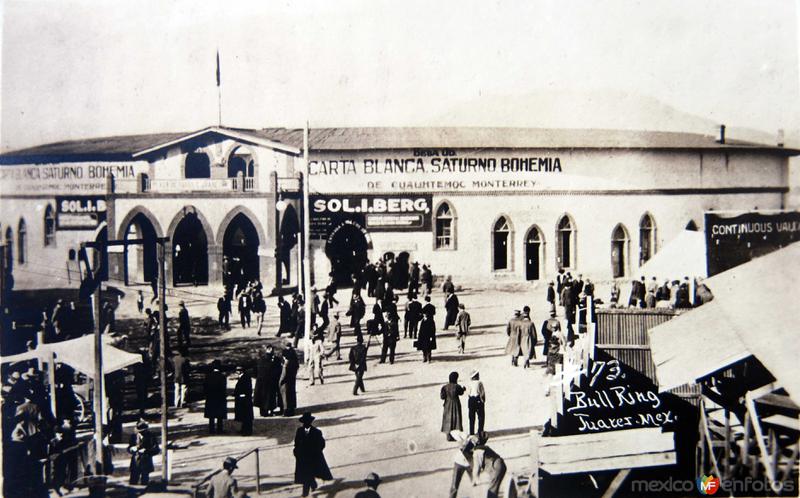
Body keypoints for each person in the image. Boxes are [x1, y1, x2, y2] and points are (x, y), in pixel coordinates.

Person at [293, 412, 333, 497]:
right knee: (307, 474)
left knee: (308, 474)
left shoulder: (316, 432)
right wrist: (296, 451)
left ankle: (305, 493)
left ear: (310, 422)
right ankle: (312, 484)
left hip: (313, 457)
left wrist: (317, 451)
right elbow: (296, 442)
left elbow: (322, 443)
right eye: (305, 422)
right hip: (302, 457)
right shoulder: (299, 431)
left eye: (308, 422)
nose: (306, 424)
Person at [470, 433, 507, 498]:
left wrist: (475, 479)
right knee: (493, 488)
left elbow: (476, 468)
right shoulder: (485, 448)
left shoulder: (477, 452)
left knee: (492, 492)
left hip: (495, 467)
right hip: (500, 465)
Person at [128, 420, 160, 486]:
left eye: (142, 432)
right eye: (139, 432)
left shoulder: (151, 436)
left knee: (144, 483)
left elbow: (156, 450)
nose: (140, 433)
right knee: (133, 483)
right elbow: (129, 448)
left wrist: (146, 451)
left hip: (146, 462)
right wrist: (131, 449)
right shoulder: (133, 437)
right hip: (135, 462)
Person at [204, 360, 227, 434]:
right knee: (219, 414)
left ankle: (211, 429)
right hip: (219, 397)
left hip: (210, 397)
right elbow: (223, 388)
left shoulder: (208, 376)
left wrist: (206, 395)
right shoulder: (222, 376)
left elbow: (205, 387)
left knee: (211, 414)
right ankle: (219, 429)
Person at [441, 371, 466, 441]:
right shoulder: (457, 386)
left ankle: (448, 435)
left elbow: (442, 397)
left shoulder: (444, 387)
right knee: (456, 419)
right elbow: (461, 392)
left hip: (447, 405)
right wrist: (463, 389)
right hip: (456, 404)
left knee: (448, 419)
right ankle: (456, 435)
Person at [280, 344, 299, 416]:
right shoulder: (294, 362)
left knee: (286, 398)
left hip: (285, 385)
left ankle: (286, 412)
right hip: (292, 381)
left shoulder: (286, 366)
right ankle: (292, 410)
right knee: (292, 395)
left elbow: (283, 378)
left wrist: (280, 382)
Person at [234, 366, 253, 436]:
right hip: (244, 398)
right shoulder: (244, 377)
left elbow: (247, 389)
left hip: (244, 399)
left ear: (241, 371)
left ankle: (247, 431)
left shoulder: (245, 377)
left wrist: (242, 394)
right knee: (244, 415)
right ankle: (244, 429)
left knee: (246, 416)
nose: (236, 372)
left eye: (238, 370)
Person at [466, 370, 486, 436]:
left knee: (471, 417)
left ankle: (471, 432)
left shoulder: (469, 383)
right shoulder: (479, 383)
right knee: (481, 416)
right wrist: (483, 400)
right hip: (478, 399)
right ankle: (480, 431)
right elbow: (482, 392)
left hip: (471, 400)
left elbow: (468, 393)